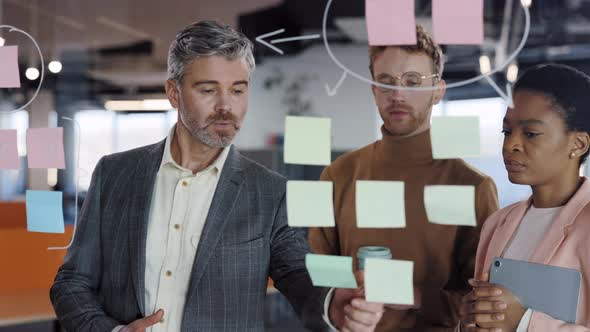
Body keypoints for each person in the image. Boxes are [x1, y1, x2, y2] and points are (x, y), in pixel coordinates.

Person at [50, 20, 383, 332]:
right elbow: (72, 283)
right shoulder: (115, 174)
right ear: (174, 93)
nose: (226, 106)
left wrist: (333, 304)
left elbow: (297, 271)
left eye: (238, 90)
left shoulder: (271, 191)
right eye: (208, 90)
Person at [309, 25, 499, 331]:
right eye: (386, 83)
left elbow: (481, 305)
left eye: (412, 82)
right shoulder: (338, 175)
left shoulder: (472, 187)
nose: (397, 94)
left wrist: (415, 295)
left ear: (438, 91)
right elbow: (314, 279)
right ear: (374, 91)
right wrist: (336, 306)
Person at [460, 64, 590, 331]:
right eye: (507, 132)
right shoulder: (498, 223)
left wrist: (524, 321)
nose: (511, 145)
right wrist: (469, 319)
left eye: (530, 133)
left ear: (578, 144)